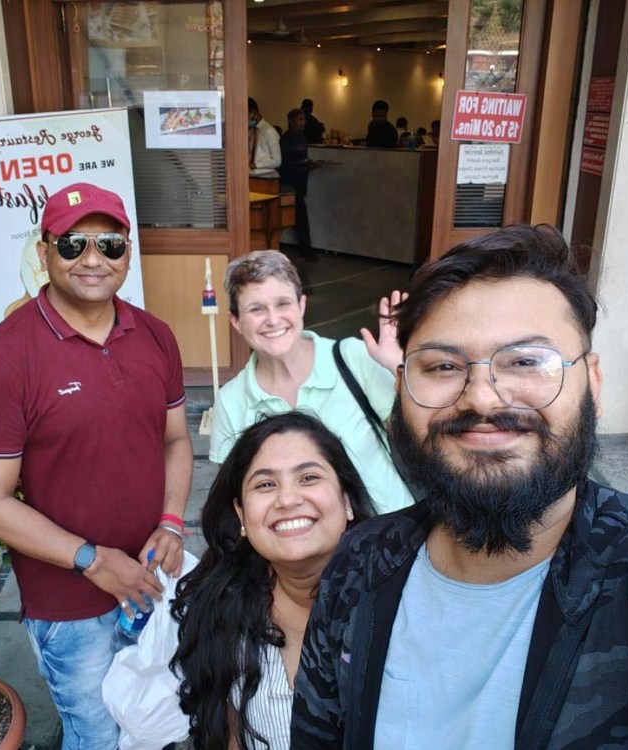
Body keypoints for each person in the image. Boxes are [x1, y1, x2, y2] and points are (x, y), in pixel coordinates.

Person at [292, 225, 628, 748]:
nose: (483, 398)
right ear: (401, 387)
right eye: (443, 365)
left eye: (526, 361)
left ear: (593, 383)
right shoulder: (358, 565)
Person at [0, 182, 193, 750]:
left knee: (159, 718)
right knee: (98, 736)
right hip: (69, 605)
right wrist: (91, 560)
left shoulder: (155, 335)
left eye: (110, 245)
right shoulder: (1, 358)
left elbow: (176, 440)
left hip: (152, 578)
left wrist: (170, 521)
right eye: (73, 244)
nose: (93, 259)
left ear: (127, 254)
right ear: (44, 252)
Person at [173, 412, 375, 750]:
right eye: (265, 484)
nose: (287, 499)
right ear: (241, 514)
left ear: (346, 501)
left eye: (308, 478)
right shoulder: (223, 611)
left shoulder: (400, 603)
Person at [209, 250, 415, 514]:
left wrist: (400, 368)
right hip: (304, 538)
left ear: (302, 306)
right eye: (256, 309)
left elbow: (418, 440)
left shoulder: (352, 358)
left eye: (283, 304)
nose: (273, 320)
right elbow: (236, 497)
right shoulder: (231, 401)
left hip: (391, 530)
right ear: (236, 321)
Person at [279, 108, 315, 262]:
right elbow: (284, 163)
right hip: (290, 182)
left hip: (299, 182)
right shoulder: (286, 140)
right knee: (298, 217)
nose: (303, 123)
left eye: (304, 120)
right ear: (291, 121)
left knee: (299, 216)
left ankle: (305, 250)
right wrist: (302, 165)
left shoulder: (301, 137)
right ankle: (306, 250)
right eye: (300, 120)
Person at [248, 97, 281, 171]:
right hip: (252, 174)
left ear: (254, 113)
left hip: (266, 176)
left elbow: (277, 161)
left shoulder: (269, 131)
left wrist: (256, 165)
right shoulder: (252, 131)